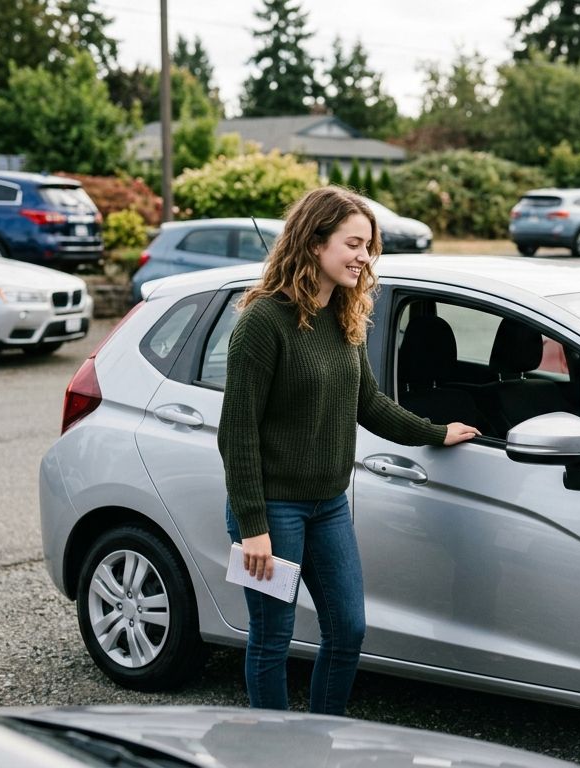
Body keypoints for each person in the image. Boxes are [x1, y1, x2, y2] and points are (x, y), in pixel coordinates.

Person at [218, 186, 480, 715]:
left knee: (348, 630)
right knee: (273, 636)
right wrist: (253, 527)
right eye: (354, 243)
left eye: (369, 246)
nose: (365, 257)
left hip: (328, 505)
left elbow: (370, 404)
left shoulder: (345, 317)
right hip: (272, 510)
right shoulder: (263, 323)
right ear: (315, 243)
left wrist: (435, 432)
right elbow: (236, 433)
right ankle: (275, 750)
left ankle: (322, 736)